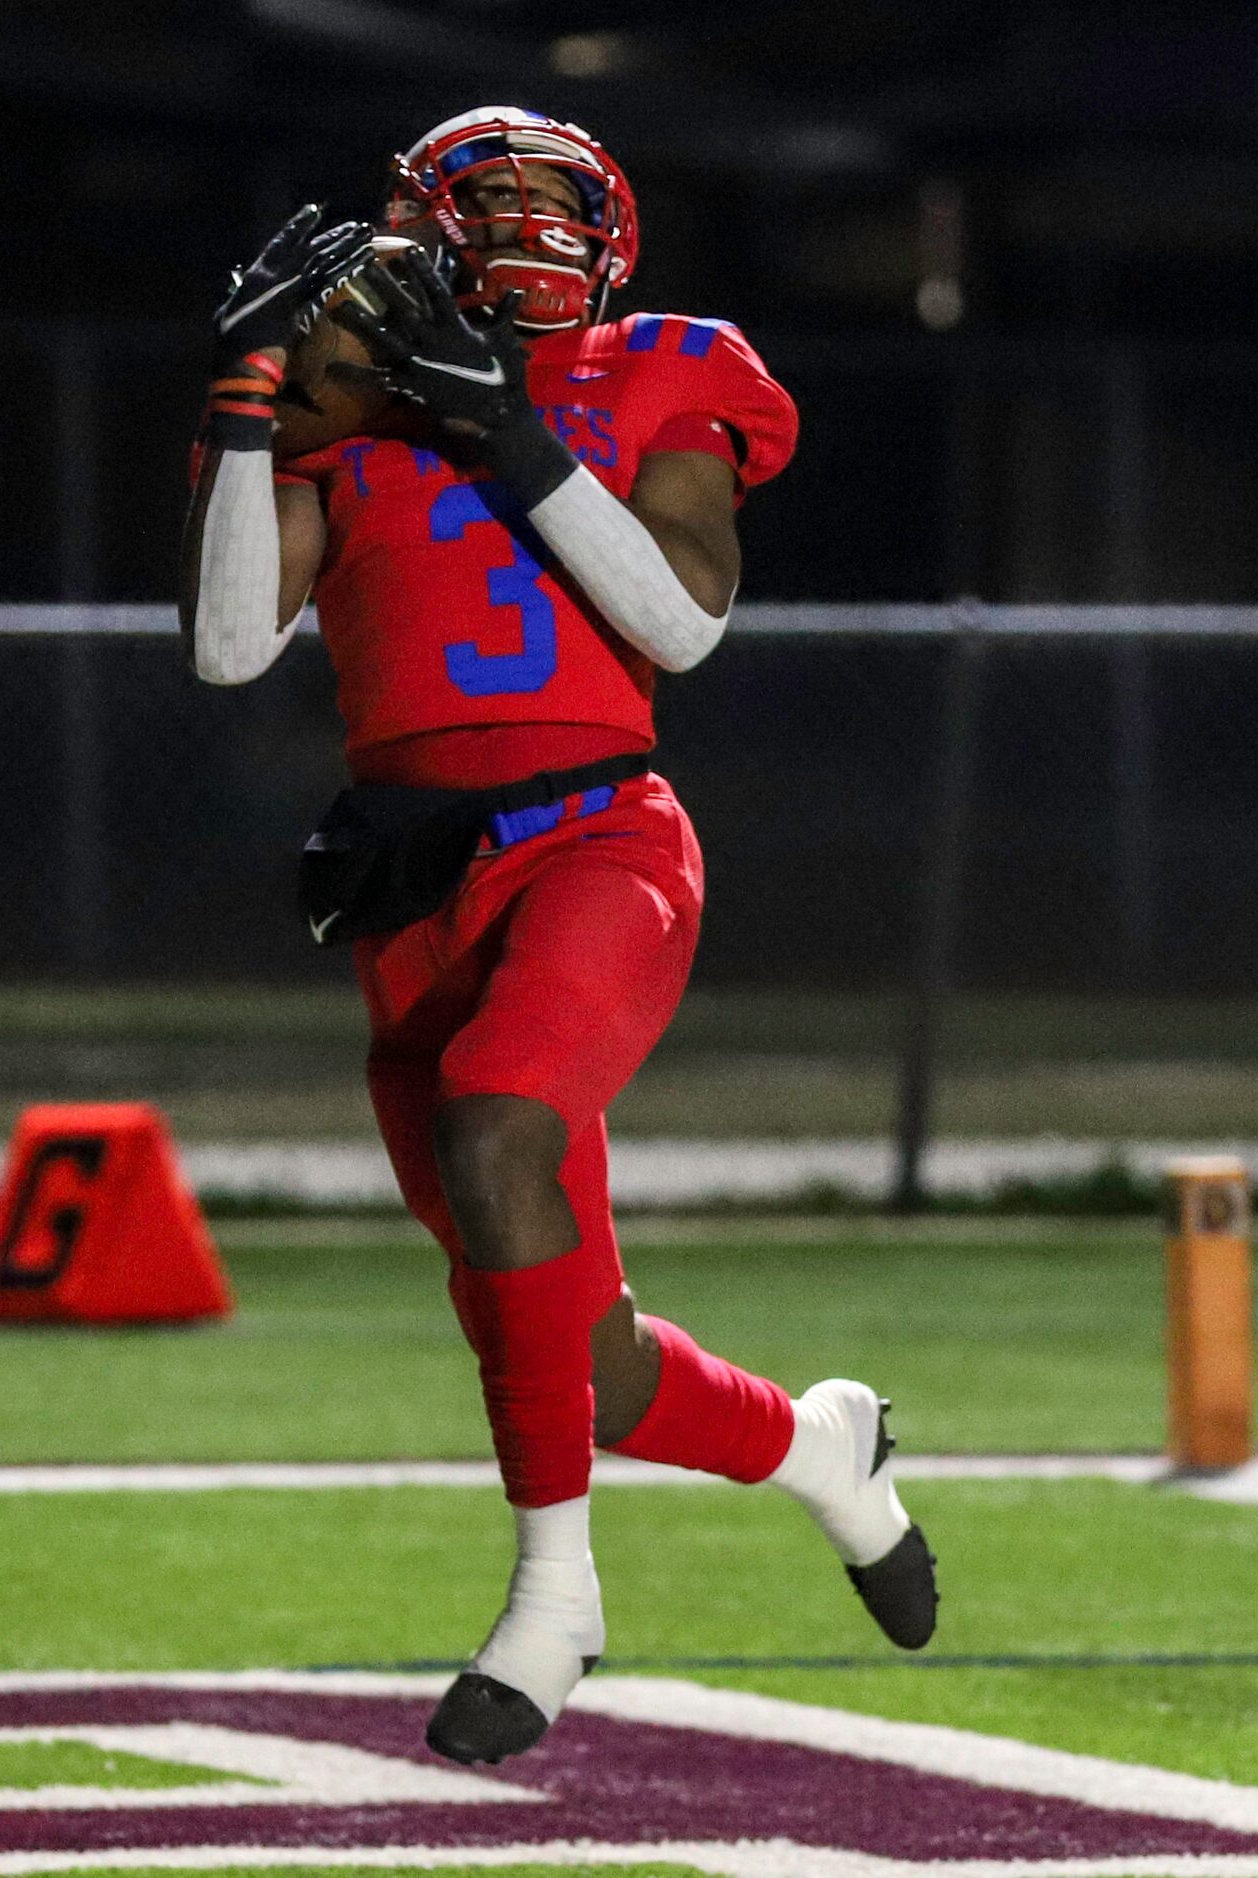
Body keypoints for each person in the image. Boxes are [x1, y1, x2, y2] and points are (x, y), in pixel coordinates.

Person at [176, 105, 936, 1766]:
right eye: (490, 201)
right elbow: (232, 647)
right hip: (409, 883)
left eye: (548, 201)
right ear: (418, 230)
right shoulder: (342, 385)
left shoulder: (671, 365)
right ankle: (821, 1450)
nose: (522, 231)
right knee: (574, 1355)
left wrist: (509, 429)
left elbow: (678, 618)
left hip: (598, 837)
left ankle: (553, 1597)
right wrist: (243, 405)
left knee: (502, 1116)